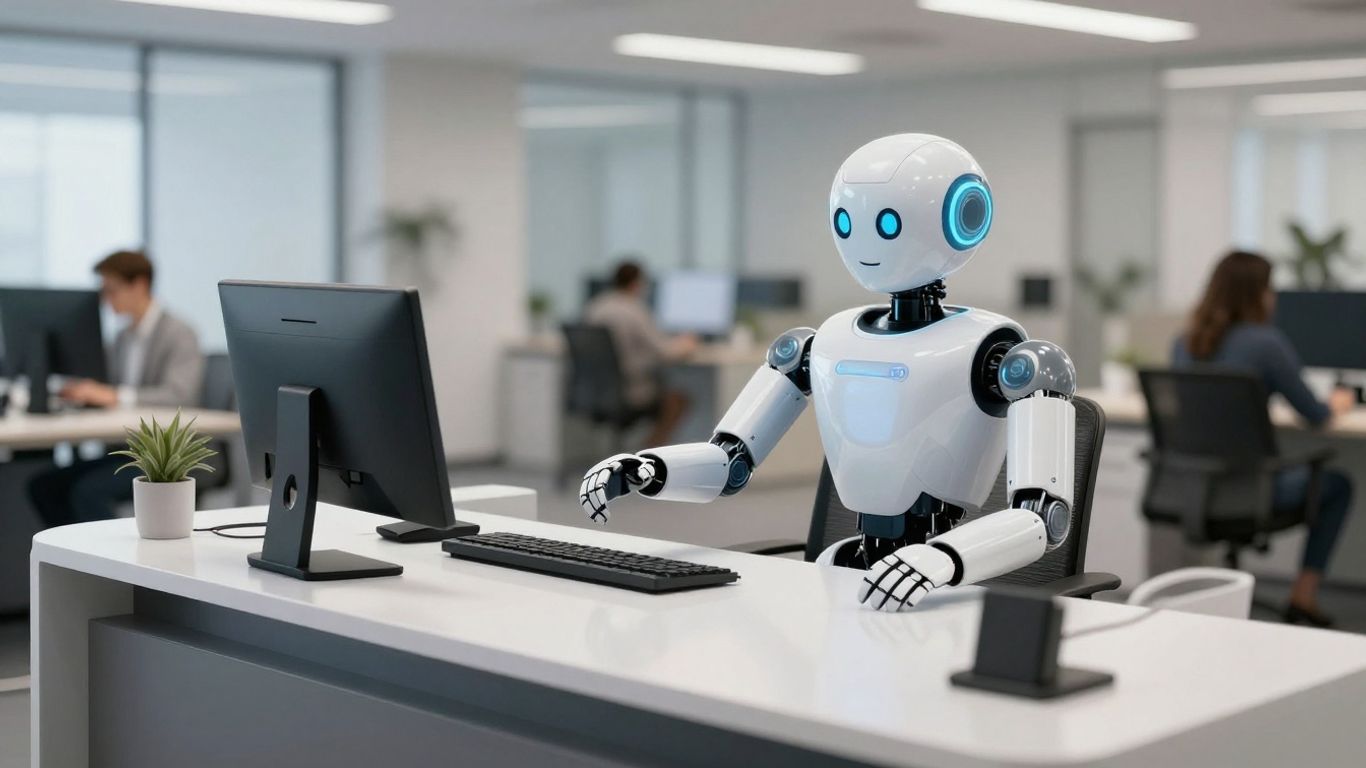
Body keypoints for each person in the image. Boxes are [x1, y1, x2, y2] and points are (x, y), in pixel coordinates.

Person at [1172, 250, 1356, 627]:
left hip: (1193, 487)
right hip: (1252, 489)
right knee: (1338, 484)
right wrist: (1339, 402)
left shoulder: (1184, 342)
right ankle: (1303, 596)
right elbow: (1315, 415)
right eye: (1270, 288)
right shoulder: (1265, 343)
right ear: (1257, 294)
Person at [28, 249, 205, 527]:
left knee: (86, 492)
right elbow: (107, 387)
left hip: (167, 456)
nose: (106, 300)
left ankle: (120, 566)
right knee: (44, 487)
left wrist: (114, 395)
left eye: (112, 290)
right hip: (129, 448)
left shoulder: (179, 333)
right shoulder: (122, 338)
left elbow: (180, 395)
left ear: (140, 285)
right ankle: (76, 562)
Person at [584, 260, 699, 446]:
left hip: (598, 393)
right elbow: (666, 352)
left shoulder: (596, 307)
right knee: (679, 400)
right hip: (631, 392)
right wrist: (687, 344)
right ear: (637, 283)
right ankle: (649, 452)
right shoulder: (634, 310)